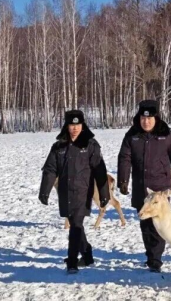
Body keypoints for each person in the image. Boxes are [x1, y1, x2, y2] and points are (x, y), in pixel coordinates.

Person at [117, 100, 171, 273]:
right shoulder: (132, 135)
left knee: (159, 225)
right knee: (146, 225)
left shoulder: (167, 134)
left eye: (149, 118)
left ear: (156, 118)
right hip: (141, 188)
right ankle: (151, 256)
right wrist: (123, 181)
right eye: (143, 118)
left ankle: (155, 260)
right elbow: (124, 158)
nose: (146, 122)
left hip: (160, 188)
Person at [38, 110, 110, 274]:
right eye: (72, 125)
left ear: (83, 125)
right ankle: (87, 255)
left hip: (83, 192)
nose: (75, 128)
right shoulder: (59, 146)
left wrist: (104, 193)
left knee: (76, 224)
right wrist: (45, 190)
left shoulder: (91, 145)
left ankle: (72, 262)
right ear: (67, 126)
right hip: (65, 192)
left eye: (78, 125)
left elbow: (99, 170)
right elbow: (50, 169)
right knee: (76, 224)